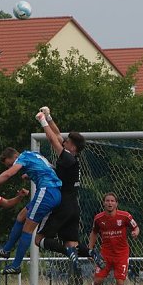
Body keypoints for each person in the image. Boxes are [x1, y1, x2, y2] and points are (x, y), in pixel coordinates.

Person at [0, 147, 62, 274]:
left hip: (47, 192)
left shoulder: (22, 158)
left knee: (27, 229)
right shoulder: (32, 154)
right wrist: (28, 175)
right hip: (52, 191)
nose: (10, 167)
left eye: (10, 164)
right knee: (21, 216)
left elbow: (8, 174)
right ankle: (6, 250)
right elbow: (47, 168)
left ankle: (16, 265)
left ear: (14, 157)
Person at [32, 106, 86, 266]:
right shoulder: (73, 159)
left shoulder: (68, 158)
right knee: (72, 243)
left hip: (62, 204)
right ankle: (90, 252)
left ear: (73, 147)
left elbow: (52, 139)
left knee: (39, 239)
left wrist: (42, 121)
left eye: (68, 141)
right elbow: (57, 135)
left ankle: (66, 252)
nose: (64, 141)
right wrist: (49, 117)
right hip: (74, 206)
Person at [82, 193, 139, 285]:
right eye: (107, 201)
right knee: (97, 281)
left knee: (119, 282)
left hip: (121, 255)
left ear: (116, 203)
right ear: (103, 203)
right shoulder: (98, 218)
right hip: (105, 255)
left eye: (112, 201)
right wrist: (89, 249)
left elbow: (136, 227)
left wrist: (135, 232)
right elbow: (94, 233)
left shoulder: (125, 216)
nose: (110, 203)